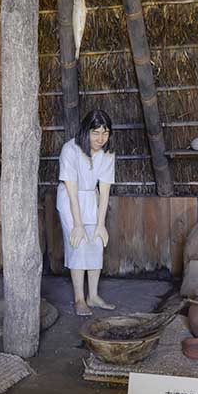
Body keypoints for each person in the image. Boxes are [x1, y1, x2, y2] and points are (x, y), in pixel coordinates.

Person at [57, 109, 116, 316]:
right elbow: (72, 191)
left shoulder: (108, 153)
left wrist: (101, 224)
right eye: (96, 133)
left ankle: (94, 296)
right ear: (85, 131)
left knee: (96, 242)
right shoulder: (70, 150)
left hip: (92, 196)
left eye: (105, 133)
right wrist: (78, 225)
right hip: (70, 199)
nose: (101, 139)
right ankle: (80, 299)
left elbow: (105, 189)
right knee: (79, 244)